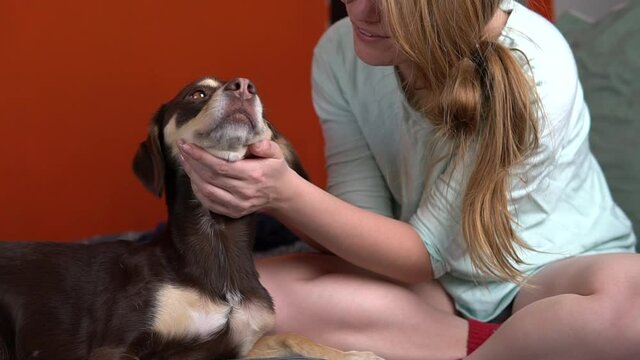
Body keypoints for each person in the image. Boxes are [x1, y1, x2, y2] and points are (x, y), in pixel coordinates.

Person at [177, 0, 639, 359]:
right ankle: (510, 342)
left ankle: (511, 337)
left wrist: (284, 193)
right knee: (209, 288)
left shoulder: (535, 64)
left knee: (631, 303)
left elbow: (424, 252)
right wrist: (269, 189)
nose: (360, 12)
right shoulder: (340, 51)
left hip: (552, 275)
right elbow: (362, 226)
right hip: (424, 290)